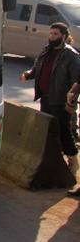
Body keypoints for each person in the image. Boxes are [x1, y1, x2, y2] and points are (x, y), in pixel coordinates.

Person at [20, 22, 80, 182]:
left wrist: (71, 103)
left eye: (55, 34)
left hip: (60, 101)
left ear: (64, 37)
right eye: (50, 33)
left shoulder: (71, 55)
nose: (52, 37)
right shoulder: (46, 51)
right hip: (45, 97)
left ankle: (73, 162)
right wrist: (29, 74)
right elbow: (37, 69)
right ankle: (54, 165)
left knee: (64, 132)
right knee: (48, 132)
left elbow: (77, 81)